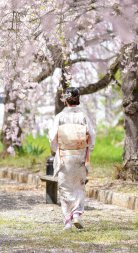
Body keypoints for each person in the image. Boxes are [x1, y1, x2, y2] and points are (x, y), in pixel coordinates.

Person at [48, 87, 96, 230]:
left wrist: (56, 149)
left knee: (65, 187)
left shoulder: (59, 117)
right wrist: (88, 148)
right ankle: (77, 214)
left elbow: (52, 138)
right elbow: (91, 135)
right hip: (80, 155)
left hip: (64, 155)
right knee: (79, 185)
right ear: (77, 99)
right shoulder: (83, 116)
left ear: (65, 100)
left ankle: (68, 220)